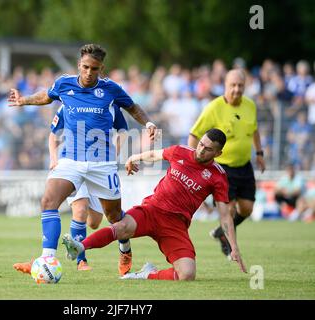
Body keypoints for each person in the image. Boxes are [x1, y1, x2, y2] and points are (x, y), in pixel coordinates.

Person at [9, 44, 158, 276]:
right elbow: (46, 97)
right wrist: (24, 100)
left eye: (94, 69)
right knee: (49, 201)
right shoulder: (64, 84)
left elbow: (133, 108)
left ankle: (125, 249)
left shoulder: (111, 89)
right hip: (70, 161)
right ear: (79, 65)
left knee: (114, 217)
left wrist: (148, 123)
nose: (89, 72)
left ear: (101, 69)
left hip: (102, 163)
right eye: (86, 67)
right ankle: (47, 259)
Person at [62, 129, 246, 281]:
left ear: (218, 153)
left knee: (187, 274)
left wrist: (234, 247)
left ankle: (145, 274)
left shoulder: (217, 176)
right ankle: (80, 246)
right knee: (122, 227)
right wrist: (134, 157)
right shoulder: (181, 152)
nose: (201, 150)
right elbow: (154, 154)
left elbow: (224, 215)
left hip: (176, 225)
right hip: (152, 210)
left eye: (208, 149)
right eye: (201, 144)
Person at [188, 69, 266, 259]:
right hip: (222, 168)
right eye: (233, 85)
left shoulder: (250, 105)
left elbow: (254, 130)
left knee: (247, 209)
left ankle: (221, 232)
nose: (237, 89)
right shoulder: (213, 108)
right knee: (228, 210)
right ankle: (232, 247)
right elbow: (194, 134)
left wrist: (259, 153)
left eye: (240, 85)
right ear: (225, 86)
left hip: (244, 165)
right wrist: (194, 162)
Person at [49, 104, 128, 271]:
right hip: (73, 164)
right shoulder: (68, 102)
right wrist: (53, 158)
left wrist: (115, 155)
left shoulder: (110, 103)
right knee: (80, 209)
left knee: (96, 222)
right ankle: (81, 261)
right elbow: (53, 133)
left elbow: (123, 131)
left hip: (100, 167)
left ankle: (125, 249)